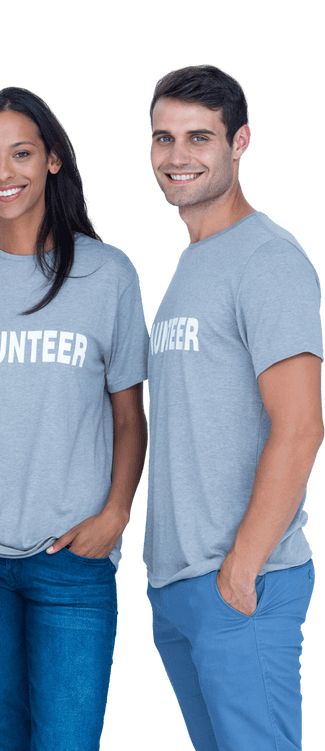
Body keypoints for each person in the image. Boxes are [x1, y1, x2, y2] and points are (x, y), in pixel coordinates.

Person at [0, 86, 149, 751]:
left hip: (72, 556)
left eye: (21, 153)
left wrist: (116, 512)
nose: (4, 174)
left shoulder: (108, 274)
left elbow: (130, 414)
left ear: (52, 159)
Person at [143, 63, 322, 751]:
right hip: (183, 585)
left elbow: (301, 425)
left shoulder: (267, 259)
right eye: (164, 139)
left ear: (239, 142)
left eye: (199, 138)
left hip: (242, 585)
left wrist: (241, 566)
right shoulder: (194, 258)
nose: (177, 157)